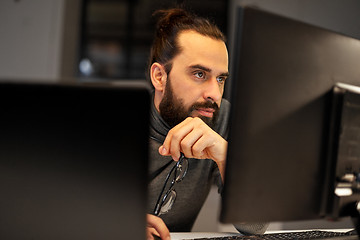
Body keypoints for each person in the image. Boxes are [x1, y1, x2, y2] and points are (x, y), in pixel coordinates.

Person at [145, 8, 267, 240]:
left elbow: (256, 227)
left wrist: (226, 156)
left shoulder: (220, 119)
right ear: (160, 77)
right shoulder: (111, 121)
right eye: (199, 74)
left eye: (221, 79)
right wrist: (118, 224)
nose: (215, 94)